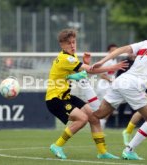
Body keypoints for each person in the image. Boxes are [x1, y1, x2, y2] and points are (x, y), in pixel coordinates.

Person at [92, 26, 147, 160]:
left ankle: (76, 115)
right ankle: (129, 150)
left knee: (97, 115)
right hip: (134, 85)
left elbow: (121, 49)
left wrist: (101, 62)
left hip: (121, 81)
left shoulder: (146, 43)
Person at [45, 28, 128, 159]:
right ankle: (57, 145)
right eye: (69, 43)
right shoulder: (65, 58)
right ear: (62, 45)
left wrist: (85, 65)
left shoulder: (71, 57)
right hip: (55, 100)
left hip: (66, 97)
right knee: (82, 119)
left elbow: (81, 73)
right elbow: (89, 71)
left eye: (74, 42)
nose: (72, 45)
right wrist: (110, 67)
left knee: (94, 117)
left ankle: (102, 152)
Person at [96, 44, 118, 129]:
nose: (114, 52)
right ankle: (99, 125)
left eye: (116, 50)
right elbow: (102, 75)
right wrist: (111, 80)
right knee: (104, 106)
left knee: (110, 106)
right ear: (109, 51)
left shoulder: (114, 60)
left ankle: (101, 124)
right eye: (112, 50)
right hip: (103, 86)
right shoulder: (107, 61)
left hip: (110, 86)